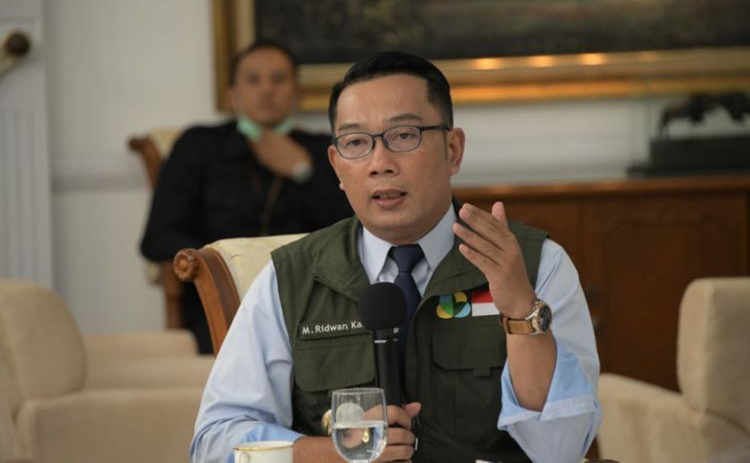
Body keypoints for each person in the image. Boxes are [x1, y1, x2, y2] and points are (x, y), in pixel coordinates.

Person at [190, 51, 600, 462]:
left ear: (453, 150)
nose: (380, 164)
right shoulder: (290, 278)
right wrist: (336, 455)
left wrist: (521, 313)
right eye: (355, 143)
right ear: (336, 166)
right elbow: (215, 442)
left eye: (404, 136)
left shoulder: (536, 264)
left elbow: (562, 451)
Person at [140, 41, 352, 354]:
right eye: (253, 80)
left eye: (278, 79)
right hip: (220, 303)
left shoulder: (325, 150)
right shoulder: (199, 145)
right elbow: (158, 237)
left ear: (298, 94)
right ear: (232, 95)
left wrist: (302, 171)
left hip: (307, 301)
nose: (266, 89)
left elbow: (349, 232)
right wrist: (223, 268)